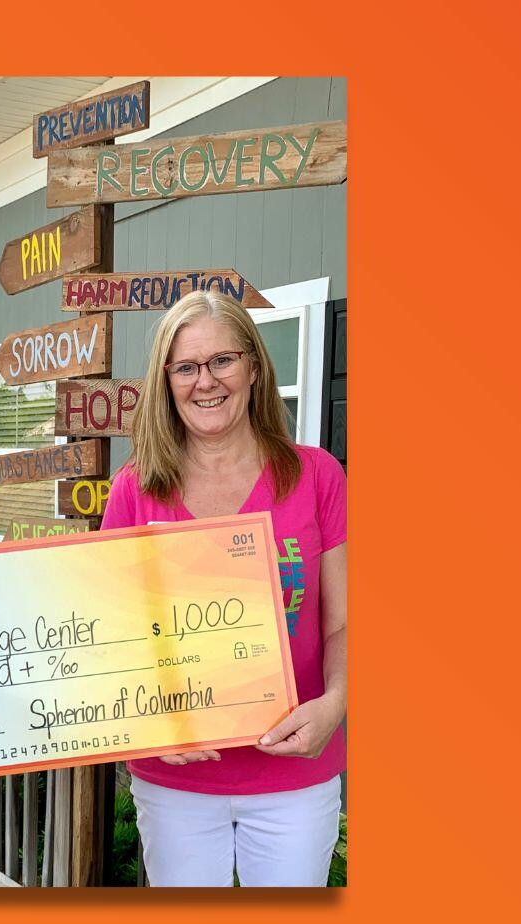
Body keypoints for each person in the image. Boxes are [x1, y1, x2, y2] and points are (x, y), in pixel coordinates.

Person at [101, 289, 350, 887]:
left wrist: (337, 703)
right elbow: (108, 636)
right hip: (178, 776)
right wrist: (145, 725)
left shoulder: (316, 475)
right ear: (166, 381)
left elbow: (343, 621)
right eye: (186, 366)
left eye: (223, 361)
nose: (205, 381)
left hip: (294, 771)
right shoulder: (136, 490)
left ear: (254, 367)